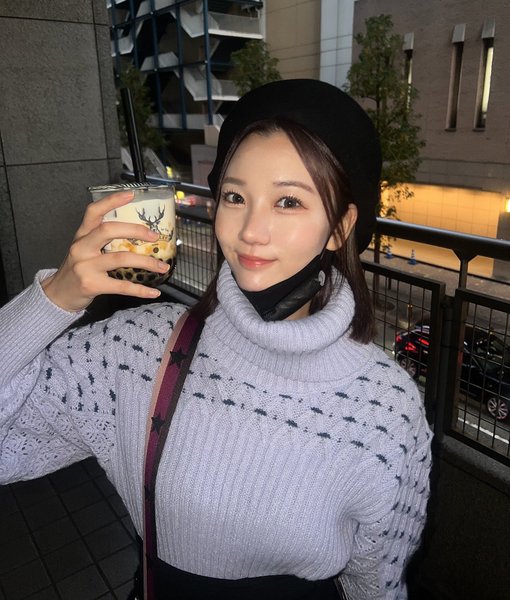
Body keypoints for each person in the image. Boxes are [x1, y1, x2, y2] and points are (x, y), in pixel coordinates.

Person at [0, 80, 432, 599]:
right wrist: (55, 297)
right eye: (235, 196)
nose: (251, 230)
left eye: (288, 201)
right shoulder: (137, 351)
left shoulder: (385, 408)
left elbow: (376, 583)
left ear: (340, 227)